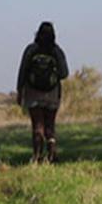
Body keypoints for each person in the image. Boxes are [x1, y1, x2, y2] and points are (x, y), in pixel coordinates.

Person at [15, 20, 69, 162]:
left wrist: (20, 91)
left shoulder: (31, 49)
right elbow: (64, 73)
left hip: (33, 93)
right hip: (52, 93)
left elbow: (22, 71)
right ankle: (52, 155)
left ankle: (37, 156)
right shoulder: (56, 51)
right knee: (50, 125)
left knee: (37, 125)